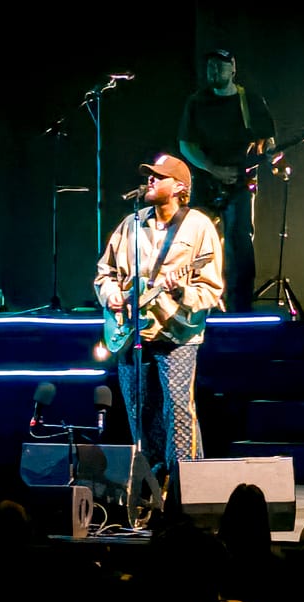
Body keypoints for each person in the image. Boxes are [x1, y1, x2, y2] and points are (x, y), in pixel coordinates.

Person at [94, 153, 224, 499]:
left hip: (177, 333)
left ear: (180, 187)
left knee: (178, 409)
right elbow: (104, 273)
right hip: (131, 332)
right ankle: (151, 483)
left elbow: (211, 288)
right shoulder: (131, 224)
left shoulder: (199, 227)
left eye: (159, 177)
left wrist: (180, 288)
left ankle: (186, 487)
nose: (150, 180)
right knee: (139, 409)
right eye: (149, 176)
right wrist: (111, 296)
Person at [179, 48, 277, 314]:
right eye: (210, 66)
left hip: (240, 184)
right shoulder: (197, 102)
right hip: (205, 183)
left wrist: (268, 153)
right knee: (194, 243)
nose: (214, 72)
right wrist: (212, 168)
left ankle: (239, 309)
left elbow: (267, 139)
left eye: (220, 67)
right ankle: (194, 305)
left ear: (233, 68)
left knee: (239, 243)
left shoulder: (251, 101)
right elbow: (186, 144)